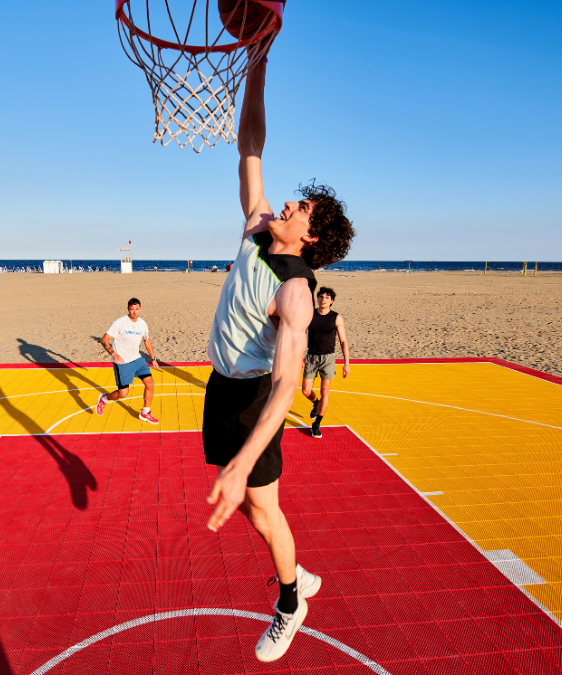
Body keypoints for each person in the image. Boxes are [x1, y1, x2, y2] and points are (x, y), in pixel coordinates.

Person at [202, 47, 356, 662]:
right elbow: (250, 145)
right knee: (254, 510)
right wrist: (257, 63)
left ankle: (292, 600)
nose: (290, 203)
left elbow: (288, 387)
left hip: (252, 400)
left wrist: (244, 460)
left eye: (304, 210)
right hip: (219, 385)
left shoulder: (295, 293)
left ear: (311, 237)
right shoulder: (256, 224)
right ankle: (298, 575)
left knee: (262, 507)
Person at [96, 298, 160, 424]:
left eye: (137, 309)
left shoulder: (142, 324)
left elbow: (146, 340)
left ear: (140, 309)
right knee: (123, 393)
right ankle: (104, 398)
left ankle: (145, 412)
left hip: (137, 360)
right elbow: (104, 340)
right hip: (123, 363)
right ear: (128, 309)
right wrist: (113, 354)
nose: (134, 312)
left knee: (150, 384)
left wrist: (153, 359)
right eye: (132, 309)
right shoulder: (120, 323)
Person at [301, 286, 350, 439]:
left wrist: (346, 363)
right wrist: (298, 357)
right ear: (317, 299)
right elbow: (301, 336)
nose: (323, 300)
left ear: (331, 301)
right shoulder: (310, 314)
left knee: (325, 391)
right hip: (311, 357)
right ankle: (316, 403)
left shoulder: (336, 317)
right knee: (305, 391)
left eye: (327, 297)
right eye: (321, 297)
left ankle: (317, 424)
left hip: (328, 359)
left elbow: (343, 341)